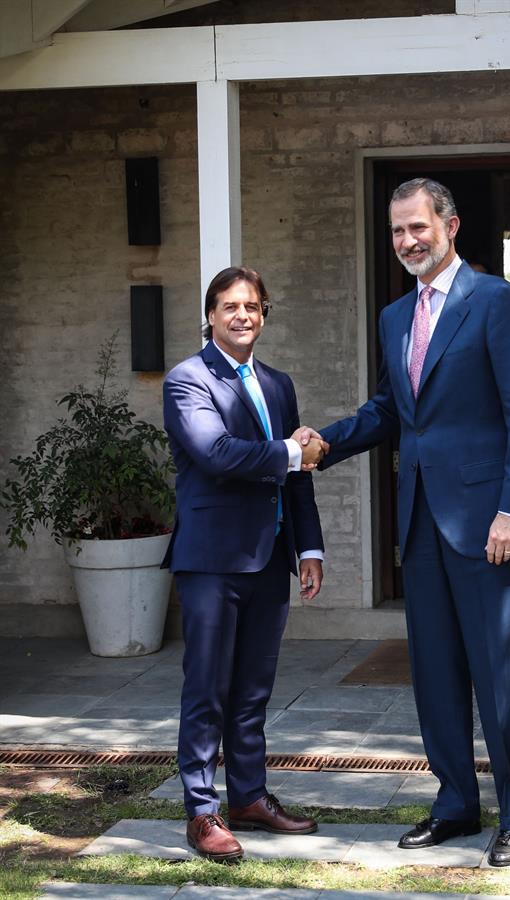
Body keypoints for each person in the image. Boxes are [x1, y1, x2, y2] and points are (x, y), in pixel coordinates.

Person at [313, 178, 510, 866]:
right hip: (418, 522)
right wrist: (325, 442)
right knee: (436, 674)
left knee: (500, 674)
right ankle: (454, 804)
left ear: (449, 226)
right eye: (397, 232)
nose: (408, 241)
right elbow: (393, 409)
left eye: (419, 227)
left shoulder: (497, 303)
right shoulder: (395, 317)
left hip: (488, 526)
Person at [162, 266, 328, 863]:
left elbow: (297, 476)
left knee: (254, 689)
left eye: (253, 306)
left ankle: (249, 797)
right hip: (211, 561)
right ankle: (202, 813)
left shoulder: (278, 384)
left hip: (269, 558)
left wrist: (308, 546)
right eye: (230, 306)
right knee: (207, 687)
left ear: (264, 315)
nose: (242, 315)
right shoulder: (187, 380)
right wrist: (290, 449)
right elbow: (216, 452)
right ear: (209, 315)